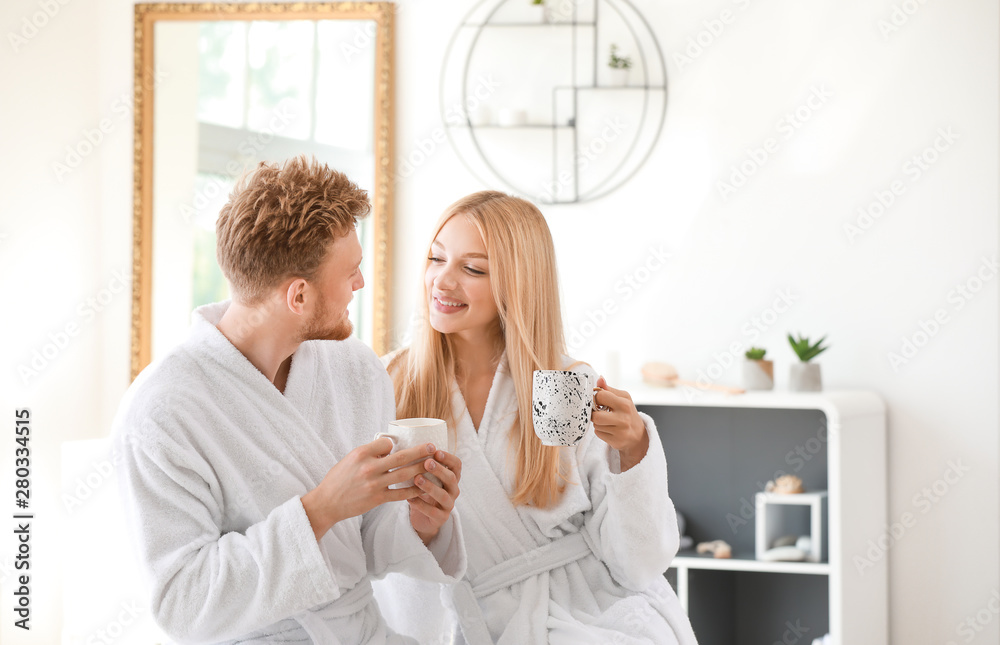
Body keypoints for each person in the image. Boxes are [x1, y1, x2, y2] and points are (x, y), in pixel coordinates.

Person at [113, 156, 466, 644]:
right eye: (352, 273)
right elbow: (183, 602)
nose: (361, 284)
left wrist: (420, 523)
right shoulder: (162, 411)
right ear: (298, 296)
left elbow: (362, 542)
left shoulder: (357, 370)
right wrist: (319, 509)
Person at [375, 191, 698, 644]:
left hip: (590, 613)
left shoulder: (567, 385)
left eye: (473, 269)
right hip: (460, 618)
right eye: (435, 258)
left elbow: (639, 564)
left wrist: (633, 447)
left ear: (517, 283)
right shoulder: (388, 383)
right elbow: (369, 538)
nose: (441, 282)